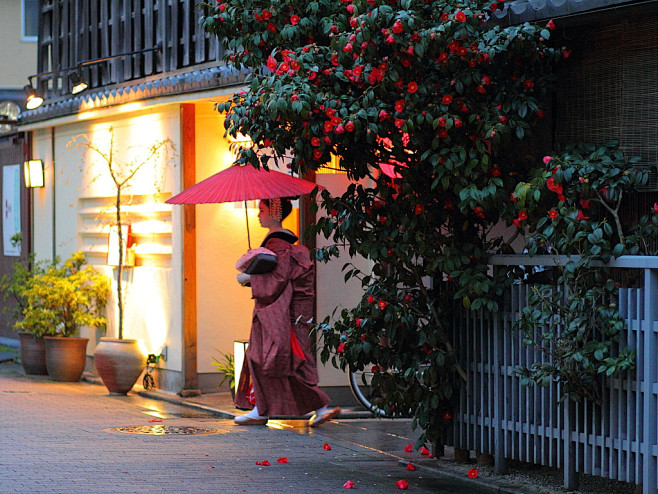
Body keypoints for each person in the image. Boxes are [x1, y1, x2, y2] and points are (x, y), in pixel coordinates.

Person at [234, 197, 340, 427]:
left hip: (280, 312)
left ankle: (261, 410)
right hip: (288, 310)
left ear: (274, 211)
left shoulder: (279, 245)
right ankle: (314, 408)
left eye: (261, 209)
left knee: (264, 357)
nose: (258, 214)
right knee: (289, 360)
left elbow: (277, 280)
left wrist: (248, 278)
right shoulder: (286, 243)